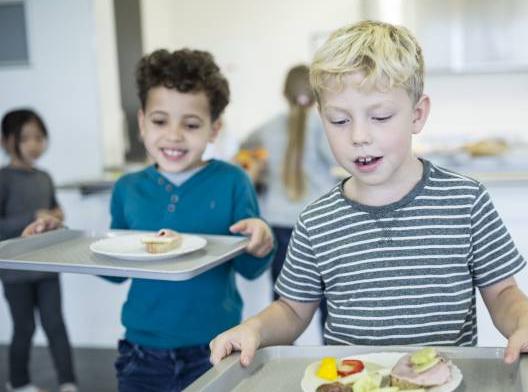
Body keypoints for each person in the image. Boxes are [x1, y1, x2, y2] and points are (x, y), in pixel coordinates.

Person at [208, 21, 528, 385]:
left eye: (380, 117)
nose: (359, 136)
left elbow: (503, 292)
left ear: (417, 114)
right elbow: (291, 310)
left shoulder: (466, 201)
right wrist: (254, 329)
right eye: (339, 120)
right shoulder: (316, 220)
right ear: (322, 119)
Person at [24, 49, 276, 391]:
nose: (173, 136)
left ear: (214, 129)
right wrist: (66, 239)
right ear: (142, 122)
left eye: (190, 124)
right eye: (160, 121)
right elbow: (114, 269)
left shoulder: (232, 181)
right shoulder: (128, 189)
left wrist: (261, 241)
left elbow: (249, 269)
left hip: (218, 346)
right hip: (141, 352)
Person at [236, 64, 337, 326]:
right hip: (321, 224)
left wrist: (264, 172)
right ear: (317, 94)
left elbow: (242, 153)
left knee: (283, 306)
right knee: (331, 305)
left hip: (279, 225)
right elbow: (339, 160)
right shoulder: (326, 126)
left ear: (284, 93)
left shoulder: (267, 128)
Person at [0, 109, 78, 392]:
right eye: (27, 138)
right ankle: (18, 382)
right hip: (15, 271)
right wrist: (32, 215)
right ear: (7, 141)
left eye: (40, 137)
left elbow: (53, 218)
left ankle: (68, 382)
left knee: (56, 325)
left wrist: (56, 218)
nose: (35, 144)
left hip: (46, 267)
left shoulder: (45, 177)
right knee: (25, 328)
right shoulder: (3, 178)